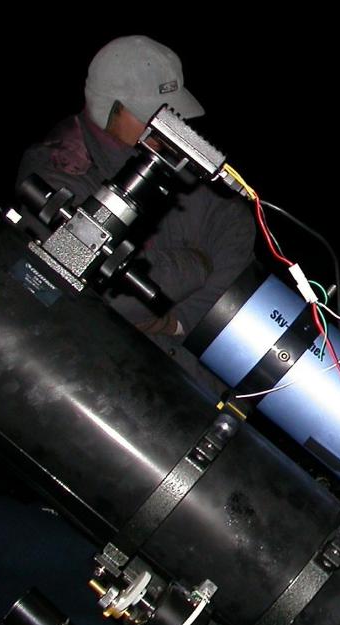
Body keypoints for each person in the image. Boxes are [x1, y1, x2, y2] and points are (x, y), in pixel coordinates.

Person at [18, 35, 256, 384]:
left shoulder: (168, 157)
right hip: (105, 381)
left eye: (172, 113)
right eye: (153, 114)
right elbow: (95, 291)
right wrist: (197, 265)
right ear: (110, 108)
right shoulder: (57, 169)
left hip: (197, 379)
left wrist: (177, 321)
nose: (169, 124)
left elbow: (237, 232)